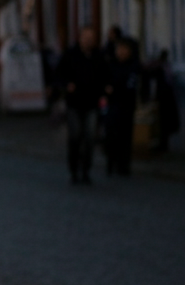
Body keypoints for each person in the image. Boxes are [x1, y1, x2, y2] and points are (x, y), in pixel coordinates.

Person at [57, 27, 110, 185]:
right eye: (85, 37)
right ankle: (73, 169)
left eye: (91, 37)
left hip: (92, 103)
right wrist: (67, 85)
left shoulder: (99, 57)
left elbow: (106, 75)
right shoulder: (70, 55)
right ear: (79, 38)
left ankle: (86, 170)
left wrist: (106, 88)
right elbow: (59, 74)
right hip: (74, 103)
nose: (88, 40)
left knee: (90, 138)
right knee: (75, 136)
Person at [104, 38, 141, 176]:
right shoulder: (110, 65)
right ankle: (111, 161)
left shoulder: (134, 66)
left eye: (124, 49)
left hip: (127, 104)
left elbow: (134, 84)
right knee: (111, 134)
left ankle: (123, 165)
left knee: (125, 135)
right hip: (112, 104)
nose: (121, 52)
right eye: (119, 49)